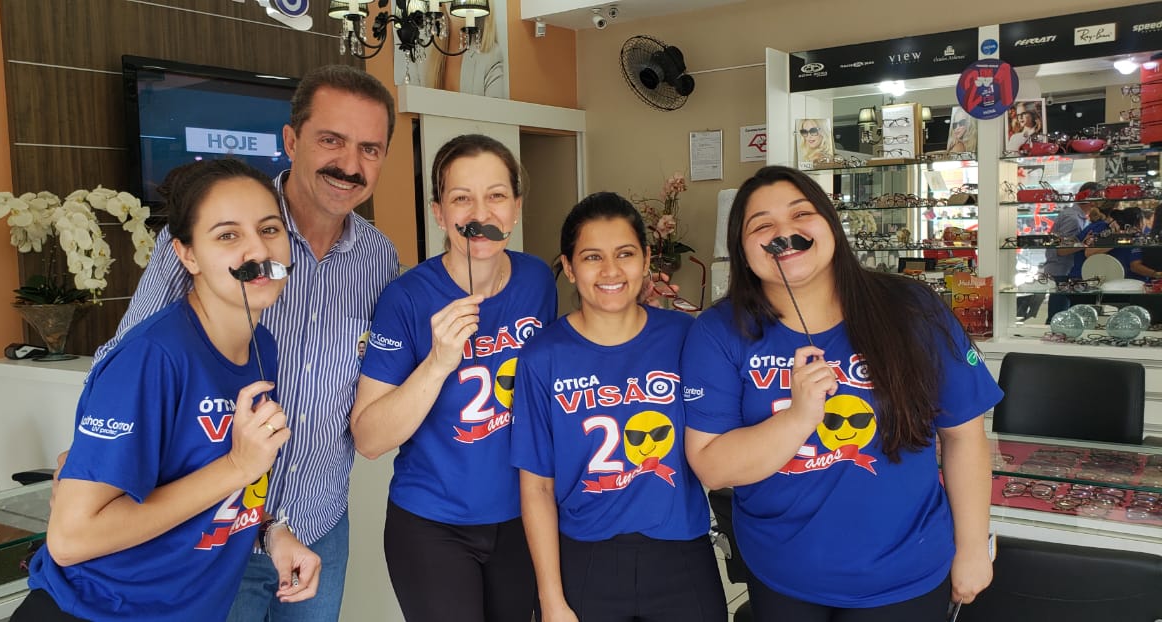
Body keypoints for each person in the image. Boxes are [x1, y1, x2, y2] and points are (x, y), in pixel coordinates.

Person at [95, 65, 400, 622]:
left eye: (370, 149)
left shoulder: (380, 258)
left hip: (315, 525)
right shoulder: (212, 231)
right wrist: (95, 468)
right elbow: (125, 359)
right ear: (292, 141)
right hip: (211, 530)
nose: (350, 165)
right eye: (331, 140)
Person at [682, 165, 999, 620]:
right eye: (762, 225)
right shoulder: (719, 332)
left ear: (830, 224)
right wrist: (797, 418)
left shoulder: (912, 309)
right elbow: (712, 468)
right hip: (782, 573)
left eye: (800, 214)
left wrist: (971, 548)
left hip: (905, 572)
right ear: (742, 249)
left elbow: (964, 435)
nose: (784, 233)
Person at [17, 159, 318, 621]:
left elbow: (213, 485)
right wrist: (237, 466)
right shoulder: (152, 357)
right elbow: (71, 538)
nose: (258, 250)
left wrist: (270, 531)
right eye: (228, 235)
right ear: (187, 255)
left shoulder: (262, 346)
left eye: (269, 229)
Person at [350, 134, 556, 622]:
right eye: (462, 198)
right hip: (433, 524)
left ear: (516, 208)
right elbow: (369, 438)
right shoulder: (406, 298)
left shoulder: (537, 281)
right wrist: (439, 361)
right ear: (439, 214)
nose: (480, 213)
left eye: (496, 195)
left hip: (523, 516)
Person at [511, 192, 726, 622]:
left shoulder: (685, 336)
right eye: (592, 257)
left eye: (625, 254)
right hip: (585, 559)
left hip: (681, 553)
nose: (610, 270)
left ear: (646, 260)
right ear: (569, 267)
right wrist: (550, 598)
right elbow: (537, 488)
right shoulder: (542, 356)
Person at [1045, 182, 1105, 323]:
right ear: (1092, 199)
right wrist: (1085, 244)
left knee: (1063, 317)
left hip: (1065, 271)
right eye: (1101, 197)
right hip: (1062, 271)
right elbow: (1062, 250)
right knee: (1058, 318)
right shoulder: (1073, 219)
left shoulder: (1078, 216)